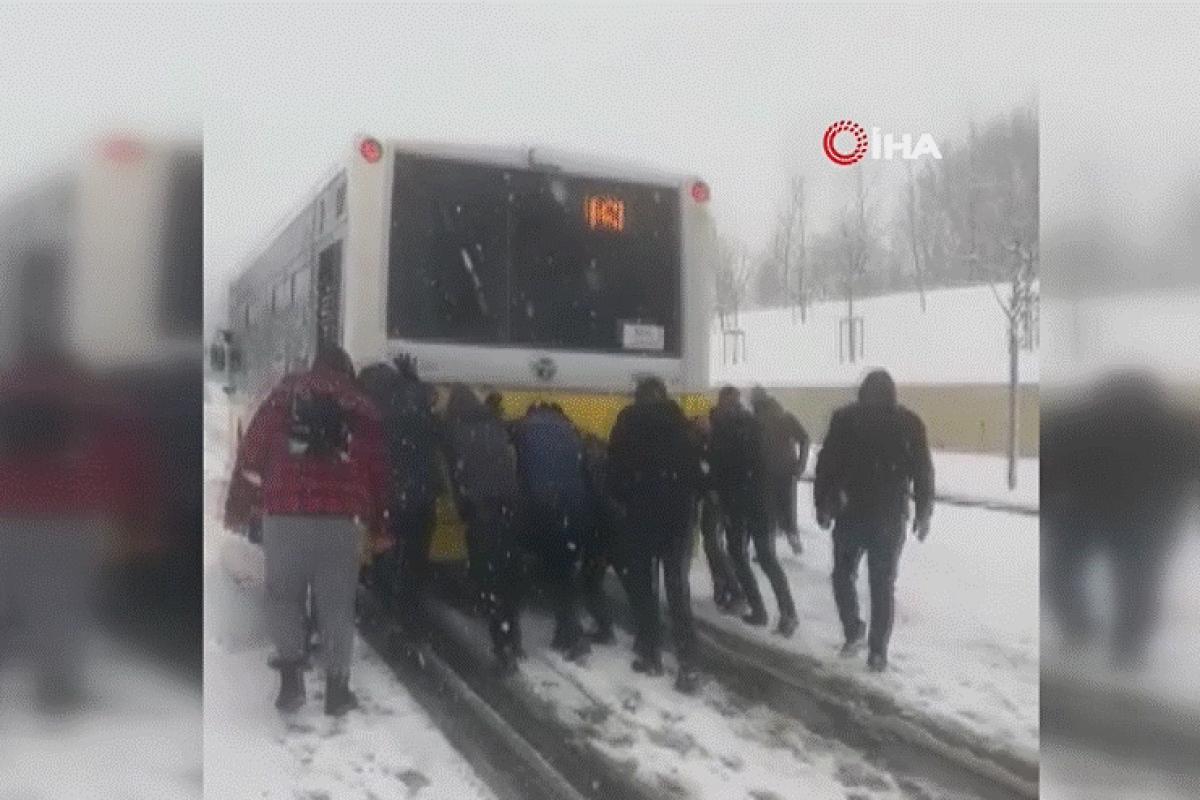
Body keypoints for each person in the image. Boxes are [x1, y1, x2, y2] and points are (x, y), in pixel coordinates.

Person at [225, 343, 391, 715]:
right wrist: (380, 525)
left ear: (313, 365)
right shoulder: (361, 406)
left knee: (284, 598)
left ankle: (290, 685)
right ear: (346, 370)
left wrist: (240, 505)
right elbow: (379, 474)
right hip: (340, 521)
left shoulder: (284, 395)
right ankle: (336, 691)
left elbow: (251, 453)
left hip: (284, 515)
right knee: (337, 605)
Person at [1042, 371, 1200, 669]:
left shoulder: (1076, 423)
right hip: (1136, 521)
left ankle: (1092, 635)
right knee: (1137, 586)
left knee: (1070, 577)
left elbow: (1050, 466)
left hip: (1094, 516)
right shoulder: (1178, 427)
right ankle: (1125, 647)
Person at [814, 369, 933, 673]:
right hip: (888, 517)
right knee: (881, 585)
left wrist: (824, 505)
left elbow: (826, 465)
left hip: (851, 511)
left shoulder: (846, 420)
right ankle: (877, 651)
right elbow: (923, 472)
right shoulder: (908, 423)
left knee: (844, 575)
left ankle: (855, 630)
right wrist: (922, 512)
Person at [607, 376, 702, 693]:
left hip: (640, 517)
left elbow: (614, 474)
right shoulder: (681, 425)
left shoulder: (627, 422)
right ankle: (688, 663)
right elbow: (694, 473)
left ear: (638, 397)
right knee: (677, 590)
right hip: (677, 518)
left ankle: (650, 652)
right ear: (663, 395)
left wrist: (626, 499)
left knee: (643, 587)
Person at [442, 383, 525, 675]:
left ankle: (502, 648)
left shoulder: (453, 429)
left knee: (488, 579)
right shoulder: (494, 423)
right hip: (510, 506)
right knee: (508, 574)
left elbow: (453, 471)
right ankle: (513, 636)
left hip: (482, 510)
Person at [358, 355, 442, 637]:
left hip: (393, 493)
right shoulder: (417, 397)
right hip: (425, 491)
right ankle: (413, 609)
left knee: (386, 550)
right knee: (417, 554)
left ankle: (389, 608)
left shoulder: (373, 409)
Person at [709, 386, 798, 637]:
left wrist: (721, 499)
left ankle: (758, 608)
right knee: (767, 557)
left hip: (738, 505)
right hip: (761, 502)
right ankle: (787, 611)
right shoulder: (758, 428)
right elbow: (771, 466)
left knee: (738, 554)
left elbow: (718, 472)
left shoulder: (722, 432)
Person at [513, 403, 592, 661]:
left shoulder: (523, 432)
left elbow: (520, 473)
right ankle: (568, 630)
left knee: (545, 571)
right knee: (565, 573)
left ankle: (568, 634)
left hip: (541, 509)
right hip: (573, 509)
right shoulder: (571, 432)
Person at [690, 413, 745, 614]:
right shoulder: (702, 444)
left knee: (713, 543)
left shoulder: (717, 445)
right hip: (712, 499)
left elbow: (715, 472)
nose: (701, 427)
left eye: (703, 423)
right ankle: (722, 587)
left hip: (718, 500)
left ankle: (734, 590)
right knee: (710, 543)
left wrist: (714, 490)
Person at [750, 385, 810, 556]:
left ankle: (768, 549)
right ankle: (792, 538)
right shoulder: (785, 417)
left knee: (767, 510)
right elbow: (804, 439)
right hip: (786, 470)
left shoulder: (756, 420)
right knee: (786, 507)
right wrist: (800, 464)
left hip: (765, 471)